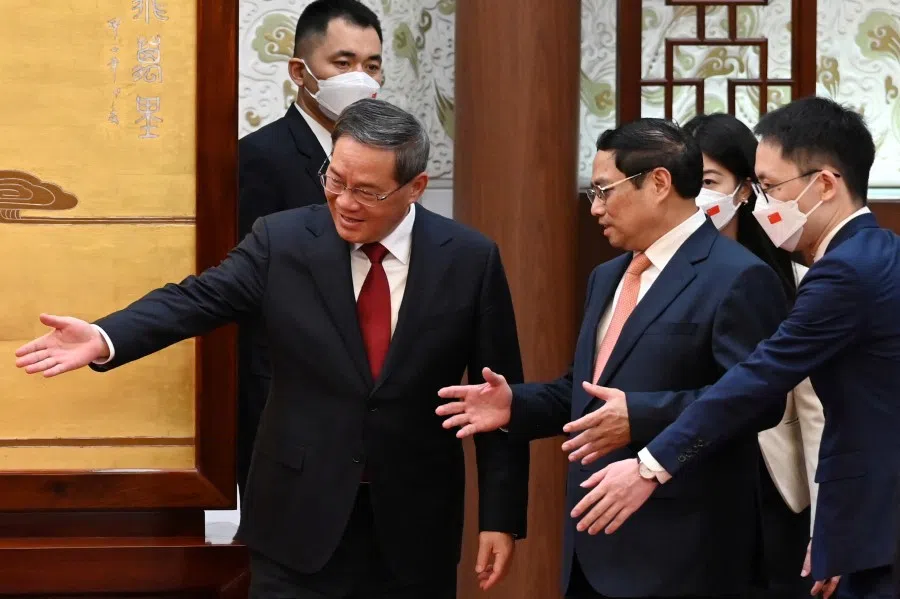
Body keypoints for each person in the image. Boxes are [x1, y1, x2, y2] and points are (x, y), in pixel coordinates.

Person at [15, 99, 529, 599]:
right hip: (295, 519)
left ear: (415, 188)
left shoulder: (469, 259)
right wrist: (106, 337)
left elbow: (497, 400)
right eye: (335, 180)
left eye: (367, 192)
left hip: (415, 527)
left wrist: (500, 519)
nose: (345, 202)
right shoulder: (282, 241)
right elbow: (195, 299)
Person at [436, 118, 789, 598]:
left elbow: (757, 402)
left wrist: (641, 417)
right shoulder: (608, 276)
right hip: (590, 548)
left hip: (684, 553)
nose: (595, 208)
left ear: (659, 183)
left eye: (605, 191)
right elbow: (585, 392)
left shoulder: (738, 276)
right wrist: (514, 405)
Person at [566, 97, 899, 599]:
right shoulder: (877, 253)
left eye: (768, 187)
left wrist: (648, 466)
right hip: (863, 517)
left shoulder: (844, 271)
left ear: (825, 184)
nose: (761, 203)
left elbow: (757, 380)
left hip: (879, 520)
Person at [237, 0, 384, 497]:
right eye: (342, 64)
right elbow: (244, 288)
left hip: (368, 391)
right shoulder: (260, 157)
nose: (360, 78)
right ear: (301, 71)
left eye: (372, 64)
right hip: (285, 394)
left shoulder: (388, 160)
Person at [684, 112, 825, 599]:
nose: (697, 195)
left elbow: (814, 409)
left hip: (769, 481)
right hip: (685, 475)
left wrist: (825, 520)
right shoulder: (658, 276)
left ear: (744, 189)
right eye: (689, 180)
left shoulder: (794, 278)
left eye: (708, 181)